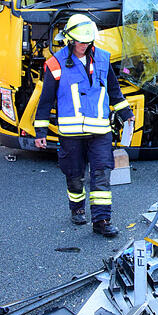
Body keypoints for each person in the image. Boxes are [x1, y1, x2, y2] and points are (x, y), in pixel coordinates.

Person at [34, 14, 135, 237]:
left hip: (100, 132)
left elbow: (114, 91)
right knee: (74, 174)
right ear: (69, 39)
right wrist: (40, 131)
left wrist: (126, 114)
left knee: (101, 174)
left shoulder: (103, 59)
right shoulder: (55, 63)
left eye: (88, 41)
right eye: (80, 41)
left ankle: (102, 221)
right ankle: (77, 208)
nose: (84, 45)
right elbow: (46, 99)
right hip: (71, 134)